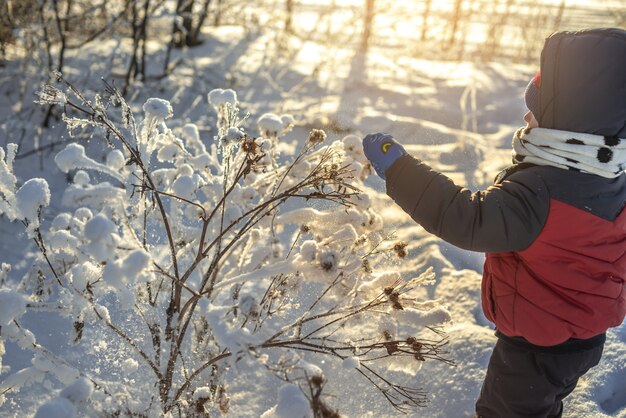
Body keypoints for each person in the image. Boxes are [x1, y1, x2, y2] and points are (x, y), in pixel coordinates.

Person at [361, 28, 626, 418]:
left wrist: (400, 169)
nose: (525, 116)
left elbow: (467, 217)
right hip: (582, 340)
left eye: (536, 112)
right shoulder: (608, 177)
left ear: (564, 127)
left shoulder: (540, 193)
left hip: (534, 350)